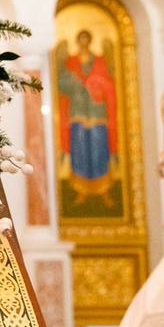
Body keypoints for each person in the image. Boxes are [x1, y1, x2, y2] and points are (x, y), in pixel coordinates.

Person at [57, 29, 118, 203]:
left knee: (99, 148)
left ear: (90, 41)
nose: (83, 43)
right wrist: (73, 80)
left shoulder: (99, 61)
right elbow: (61, 83)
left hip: (97, 111)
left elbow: (109, 82)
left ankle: (104, 189)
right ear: (78, 41)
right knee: (80, 148)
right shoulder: (71, 61)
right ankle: (81, 189)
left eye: (86, 39)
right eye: (81, 39)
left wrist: (97, 82)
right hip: (77, 112)